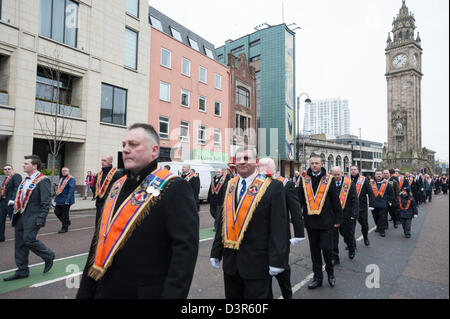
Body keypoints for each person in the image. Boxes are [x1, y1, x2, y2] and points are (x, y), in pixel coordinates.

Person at [76, 123, 199, 299]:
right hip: (104, 290)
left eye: (133, 145)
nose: (126, 150)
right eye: (124, 145)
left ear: (154, 151)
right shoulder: (116, 187)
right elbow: (99, 242)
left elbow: (184, 252)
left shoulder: (175, 187)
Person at [210, 148, 288, 299]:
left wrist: (277, 260)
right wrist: (216, 251)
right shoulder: (229, 186)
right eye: (238, 159)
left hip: (258, 264)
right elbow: (222, 221)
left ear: (256, 162)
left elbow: (279, 227)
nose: (241, 162)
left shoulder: (273, 187)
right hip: (231, 263)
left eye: (246, 158)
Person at [258, 157, 305, 299]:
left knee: (281, 269)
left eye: (265, 167)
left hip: (280, 235)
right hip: (260, 235)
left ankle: (287, 294)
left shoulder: (285, 184)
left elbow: (295, 210)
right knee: (262, 273)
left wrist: (298, 233)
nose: (261, 169)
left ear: (273, 169)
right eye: (259, 167)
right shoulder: (255, 185)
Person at [3, 155, 55, 281]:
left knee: (28, 239)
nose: (24, 165)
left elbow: (46, 201)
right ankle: (22, 270)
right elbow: (22, 196)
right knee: (20, 243)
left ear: (34, 166)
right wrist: (14, 203)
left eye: (26, 163)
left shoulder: (43, 180)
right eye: (24, 163)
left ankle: (48, 255)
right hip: (20, 214)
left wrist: (41, 218)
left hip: (33, 215)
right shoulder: (25, 179)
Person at [297, 154, 343, 289]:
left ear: (322, 164)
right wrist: (296, 217)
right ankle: (317, 278)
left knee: (327, 250)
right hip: (311, 223)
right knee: (315, 252)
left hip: (327, 222)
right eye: (312, 163)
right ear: (309, 164)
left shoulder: (329, 179)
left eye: (317, 163)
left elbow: (335, 200)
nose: (314, 165)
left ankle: (330, 274)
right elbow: (299, 200)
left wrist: (338, 218)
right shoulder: (304, 179)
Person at [331, 166, 359, 264]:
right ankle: (335, 257)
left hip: (346, 215)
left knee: (347, 235)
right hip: (333, 216)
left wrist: (354, 214)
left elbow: (354, 199)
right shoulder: (329, 184)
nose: (336, 177)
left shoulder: (349, 184)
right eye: (334, 175)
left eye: (338, 174)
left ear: (342, 173)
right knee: (333, 238)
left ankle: (351, 248)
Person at [92, 156, 123, 227]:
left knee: (107, 223)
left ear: (110, 162)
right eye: (102, 160)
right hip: (99, 202)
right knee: (98, 224)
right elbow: (94, 186)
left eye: (104, 160)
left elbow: (120, 188)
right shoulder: (99, 174)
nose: (102, 162)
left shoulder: (117, 173)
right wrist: (95, 194)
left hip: (110, 202)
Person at [350, 166, 375, 246]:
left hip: (362, 207)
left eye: (354, 169)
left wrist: (371, 204)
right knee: (350, 228)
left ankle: (365, 237)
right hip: (350, 208)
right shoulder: (347, 180)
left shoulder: (364, 179)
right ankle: (351, 243)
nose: (353, 171)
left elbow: (370, 192)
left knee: (364, 225)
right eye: (351, 170)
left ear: (358, 171)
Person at [0, 164, 22, 242]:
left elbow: (17, 188)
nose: (7, 171)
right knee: (1, 220)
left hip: (10, 202)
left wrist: (13, 199)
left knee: (14, 221)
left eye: (9, 169)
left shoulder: (16, 176)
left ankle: (21, 237)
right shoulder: (6, 178)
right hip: (2, 202)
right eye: (5, 169)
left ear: (12, 169)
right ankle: (1, 237)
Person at [370, 171, 394, 237]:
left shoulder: (387, 183)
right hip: (374, 204)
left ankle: (382, 230)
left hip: (383, 204)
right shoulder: (371, 183)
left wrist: (390, 201)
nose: (378, 175)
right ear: (375, 175)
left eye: (380, 174)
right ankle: (378, 226)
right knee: (375, 217)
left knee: (382, 218)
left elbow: (391, 193)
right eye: (377, 174)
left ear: (382, 175)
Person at [54, 167, 76, 233]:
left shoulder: (71, 179)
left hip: (66, 199)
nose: (64, 172)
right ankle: (67, 222)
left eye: (65, 171)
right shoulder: (61, 179)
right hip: (59, 199)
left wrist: (68, 199)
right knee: (57, 212)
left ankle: (64, 227)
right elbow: (60, 189)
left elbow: (71, 190)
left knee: (64, 214)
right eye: (62, 171)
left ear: (68, 171)